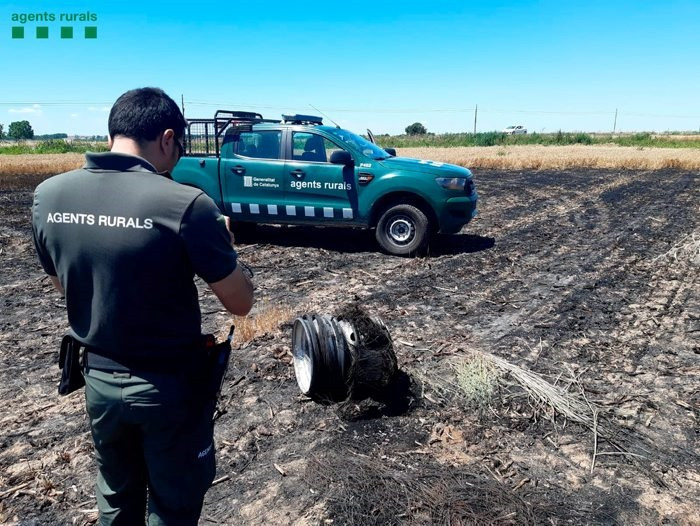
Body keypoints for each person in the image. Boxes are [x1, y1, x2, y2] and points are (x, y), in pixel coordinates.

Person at [31, 87, 254, 525]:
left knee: (116, 498)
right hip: (168, 388)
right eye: (179, 147)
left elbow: (65, 285)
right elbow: (241, 303)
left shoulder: (49, 197)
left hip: (98, 379)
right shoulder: (186, 205)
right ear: (167, 138)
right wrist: (228, 248)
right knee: (174, 503)